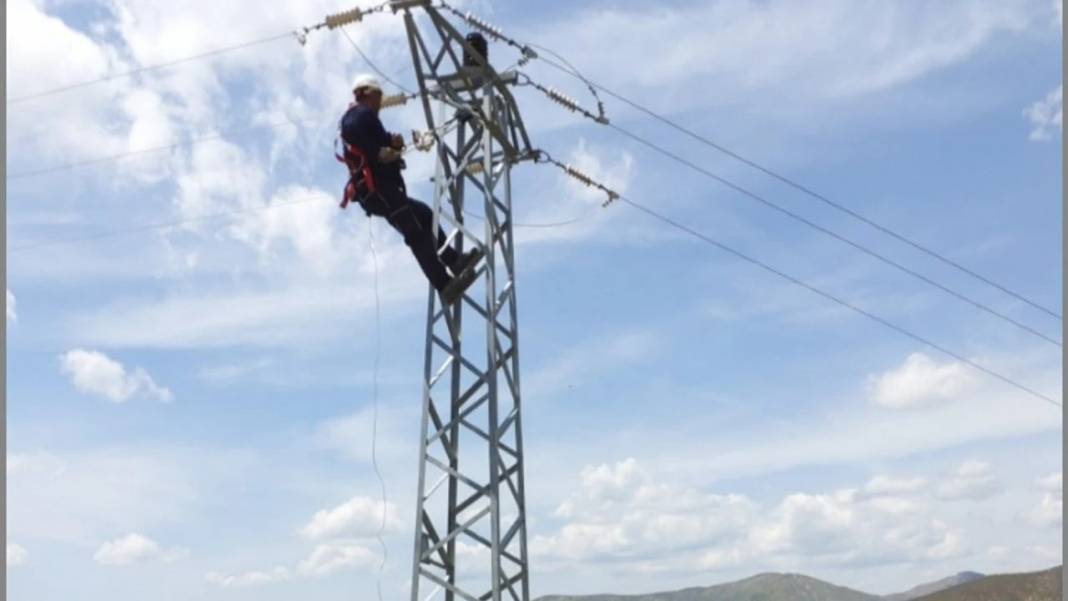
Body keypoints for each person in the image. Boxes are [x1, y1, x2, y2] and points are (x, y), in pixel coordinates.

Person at [338, 74, 482, 304]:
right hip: (381, 192)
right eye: (377, 95)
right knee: (416, 234)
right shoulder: (358, 114)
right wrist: (378, 152)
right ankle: (444, 285)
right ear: (368, 93)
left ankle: (453, 260)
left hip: (381, 194)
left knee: (424, 215)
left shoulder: (365, 118)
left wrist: (391, 143)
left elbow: (374, 139)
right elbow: (352, 130)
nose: (379, 101)